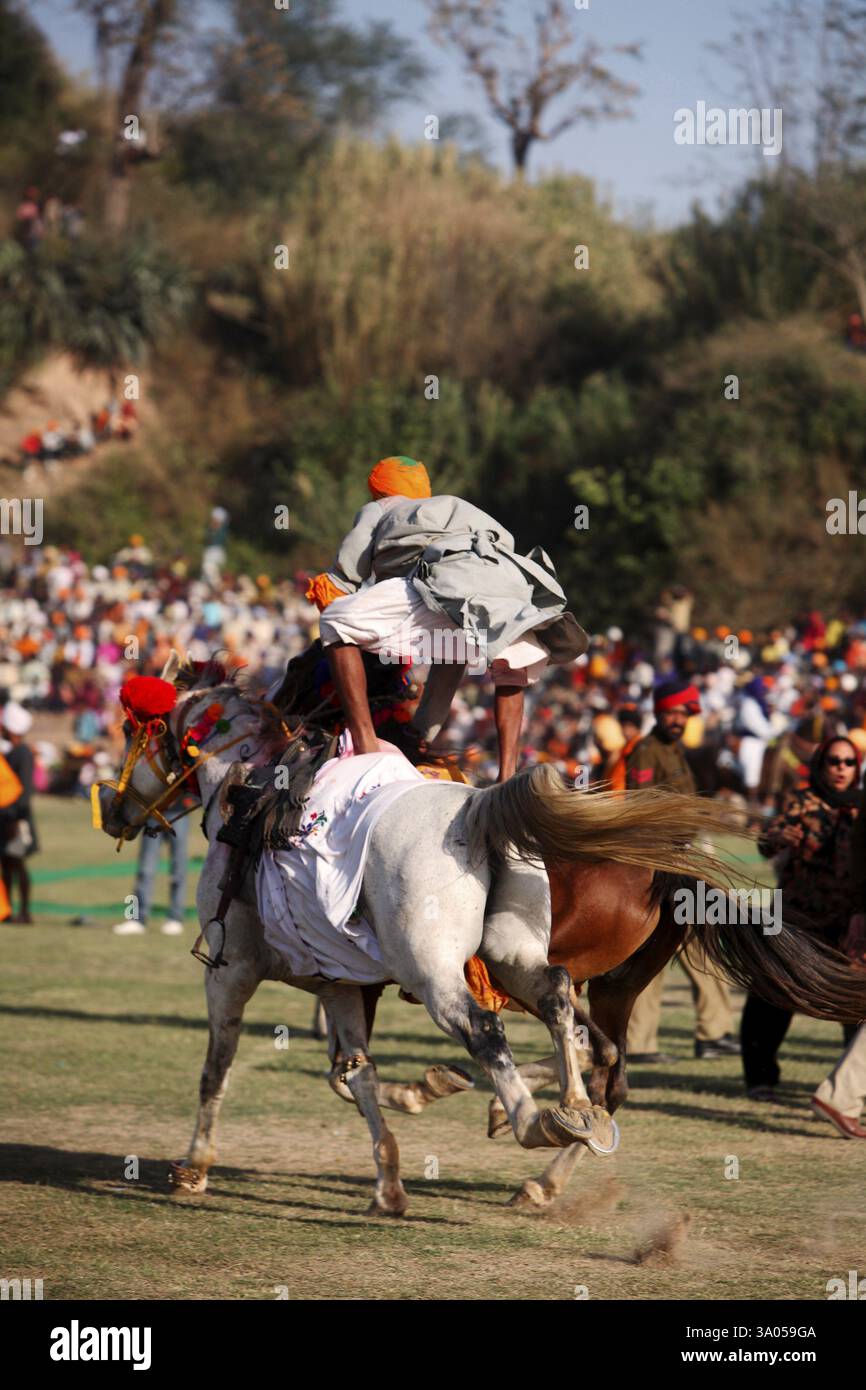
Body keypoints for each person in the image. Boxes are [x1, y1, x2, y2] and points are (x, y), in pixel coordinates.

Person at [306, 456, 587, 782]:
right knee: (496, 663)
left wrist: (344, 626)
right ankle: (505, 775)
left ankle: (365, 742)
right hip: (506, 586)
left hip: (443, 577)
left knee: (337, 623)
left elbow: (342, 579)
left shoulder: (381, 507)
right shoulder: (455, 508)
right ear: (422, 488)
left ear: (379, 489)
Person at [625, 678, 739, 1063]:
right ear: (658, 712)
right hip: (659, 862)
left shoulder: (675, 750)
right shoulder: (645, 752)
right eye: (670, 712)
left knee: (699, 942)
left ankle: (715, 1032)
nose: (677, 719)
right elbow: (637, 810)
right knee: (654, 949)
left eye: (682, 713)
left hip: (683, 859)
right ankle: (639, 1044)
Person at [742, 736, 861, 1101]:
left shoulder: (861, 807)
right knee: (774, 995)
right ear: (822, 765)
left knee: (855, 1002)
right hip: (797, 918)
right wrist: (781, 836)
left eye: (848, 762)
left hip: (848, 921)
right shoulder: (803, 802)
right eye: (834, 761)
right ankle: (760, 1078)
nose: (841, 768)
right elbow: (767, 841)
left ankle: (847, 1088)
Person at [112, 810, 192, 937]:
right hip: (154, 814)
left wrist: (190, 800)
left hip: (179, 813)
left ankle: (175, 918)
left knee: (178, 869)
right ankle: (136, 919)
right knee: (145, 869)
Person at [0, 702, 39, 923]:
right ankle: (7, 910)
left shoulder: (22, 753)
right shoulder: (11, 751)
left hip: (17, 819)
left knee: (18, 864)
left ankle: (25, 912)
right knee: (7, 864)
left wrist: (13, 814)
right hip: (6, 818)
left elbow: (24, 791)